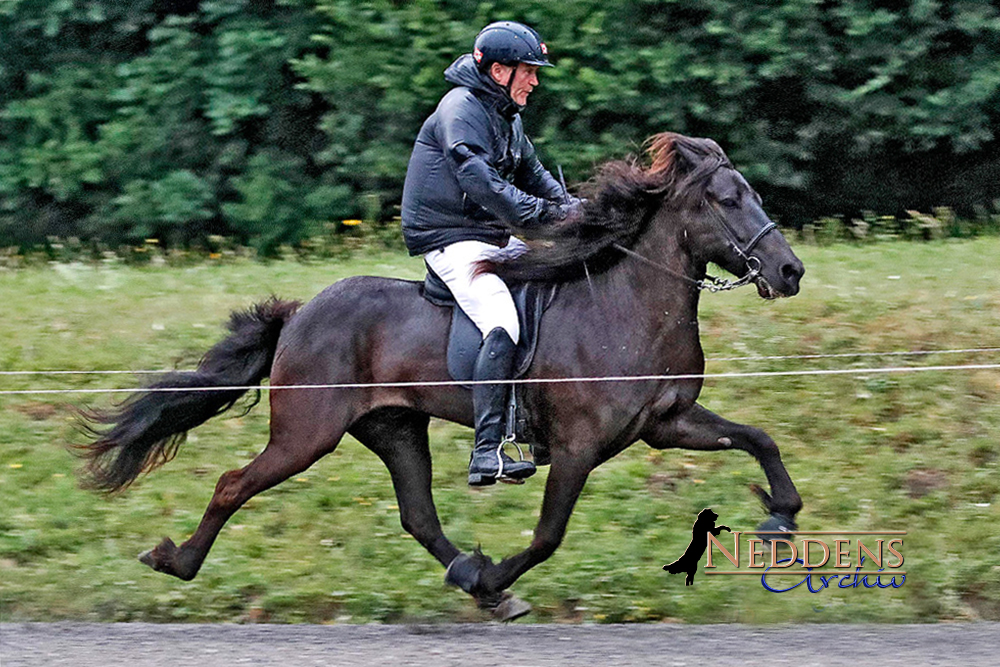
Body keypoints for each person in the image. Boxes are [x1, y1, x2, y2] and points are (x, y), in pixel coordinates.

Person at [401, 21, 580, 486]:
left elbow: (533, 172)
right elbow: (480, 182)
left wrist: (573, 209)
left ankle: (537, 422)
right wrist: (543, 215)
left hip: (489, 235)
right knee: (503, 320)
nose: (535, 81)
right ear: (500, 71)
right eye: (529, 71)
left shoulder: (505, 114)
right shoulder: (460, 110)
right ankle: (487, 451)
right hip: (448, 238)